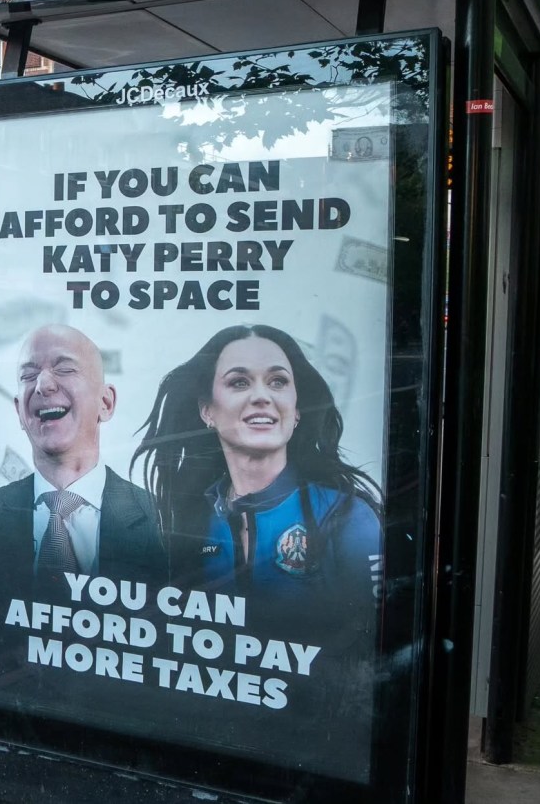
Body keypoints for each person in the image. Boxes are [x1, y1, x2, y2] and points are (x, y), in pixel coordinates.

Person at [133, 324, 382, 782]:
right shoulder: (187, 518)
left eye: (278, 381)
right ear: (207, 410)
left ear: (297, 409)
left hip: (313, 758)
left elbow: (375, 658)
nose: (262, 396)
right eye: (239, 382)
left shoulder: (347, 516)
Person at [0, 324, 165, 698]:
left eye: (64, 368)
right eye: (29, 375)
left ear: (106, 403)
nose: (43, 384)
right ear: (18, 410)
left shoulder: (162, 518)